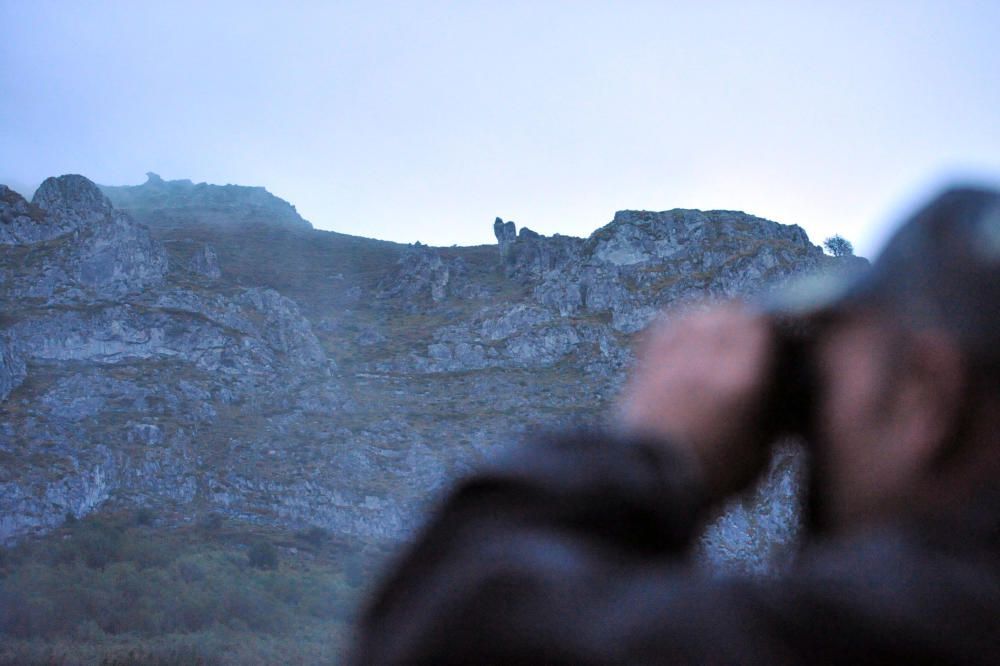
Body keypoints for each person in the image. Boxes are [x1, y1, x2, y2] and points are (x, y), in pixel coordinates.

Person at [351, 187, 1000, 664]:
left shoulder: (898, 630)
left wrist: (656, 453)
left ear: (926, 395)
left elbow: (451, 634)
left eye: (821, 386)